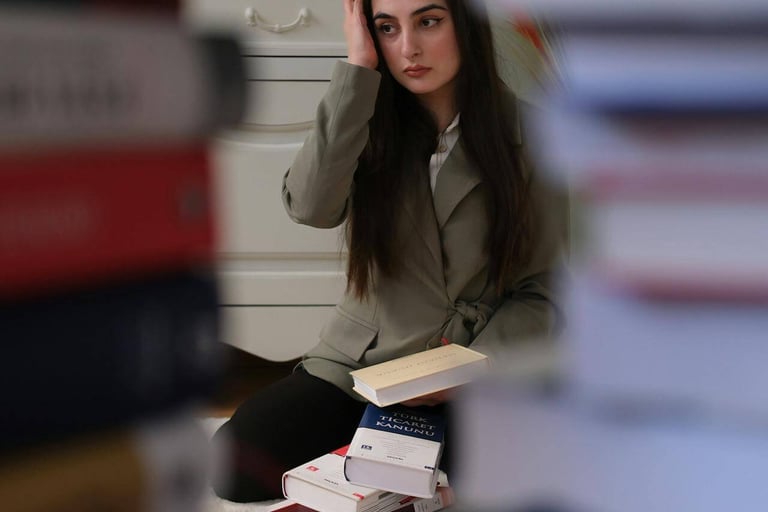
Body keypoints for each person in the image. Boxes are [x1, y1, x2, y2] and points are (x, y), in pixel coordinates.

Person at [211, 0, 568, 502]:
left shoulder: (533, 135)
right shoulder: (362, 116)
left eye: (428, 21)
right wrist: (357, 72)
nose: (409, 48)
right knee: (234, 465)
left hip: (470, 370)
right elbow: (310, 205)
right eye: (387, 28)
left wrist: (468, 365)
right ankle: (383, 460)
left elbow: (542, 290)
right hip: (360, 368)